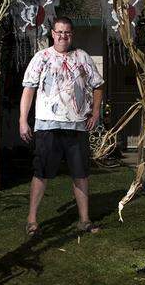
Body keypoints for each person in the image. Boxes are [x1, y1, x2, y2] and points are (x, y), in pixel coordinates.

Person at [19, 16, 104, 237]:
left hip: (77, 126)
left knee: (81, 174)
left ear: (71, 35)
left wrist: (95, 112)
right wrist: (22, 120)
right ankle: (31, 220)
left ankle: (84, 220)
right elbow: (28, 89)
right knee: (41, 173)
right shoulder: (42, 58)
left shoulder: (82, 57)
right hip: (47, 126)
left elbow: (98, 86)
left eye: (67, 32)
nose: (63, 36)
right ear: (52, 34)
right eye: (59, 32)